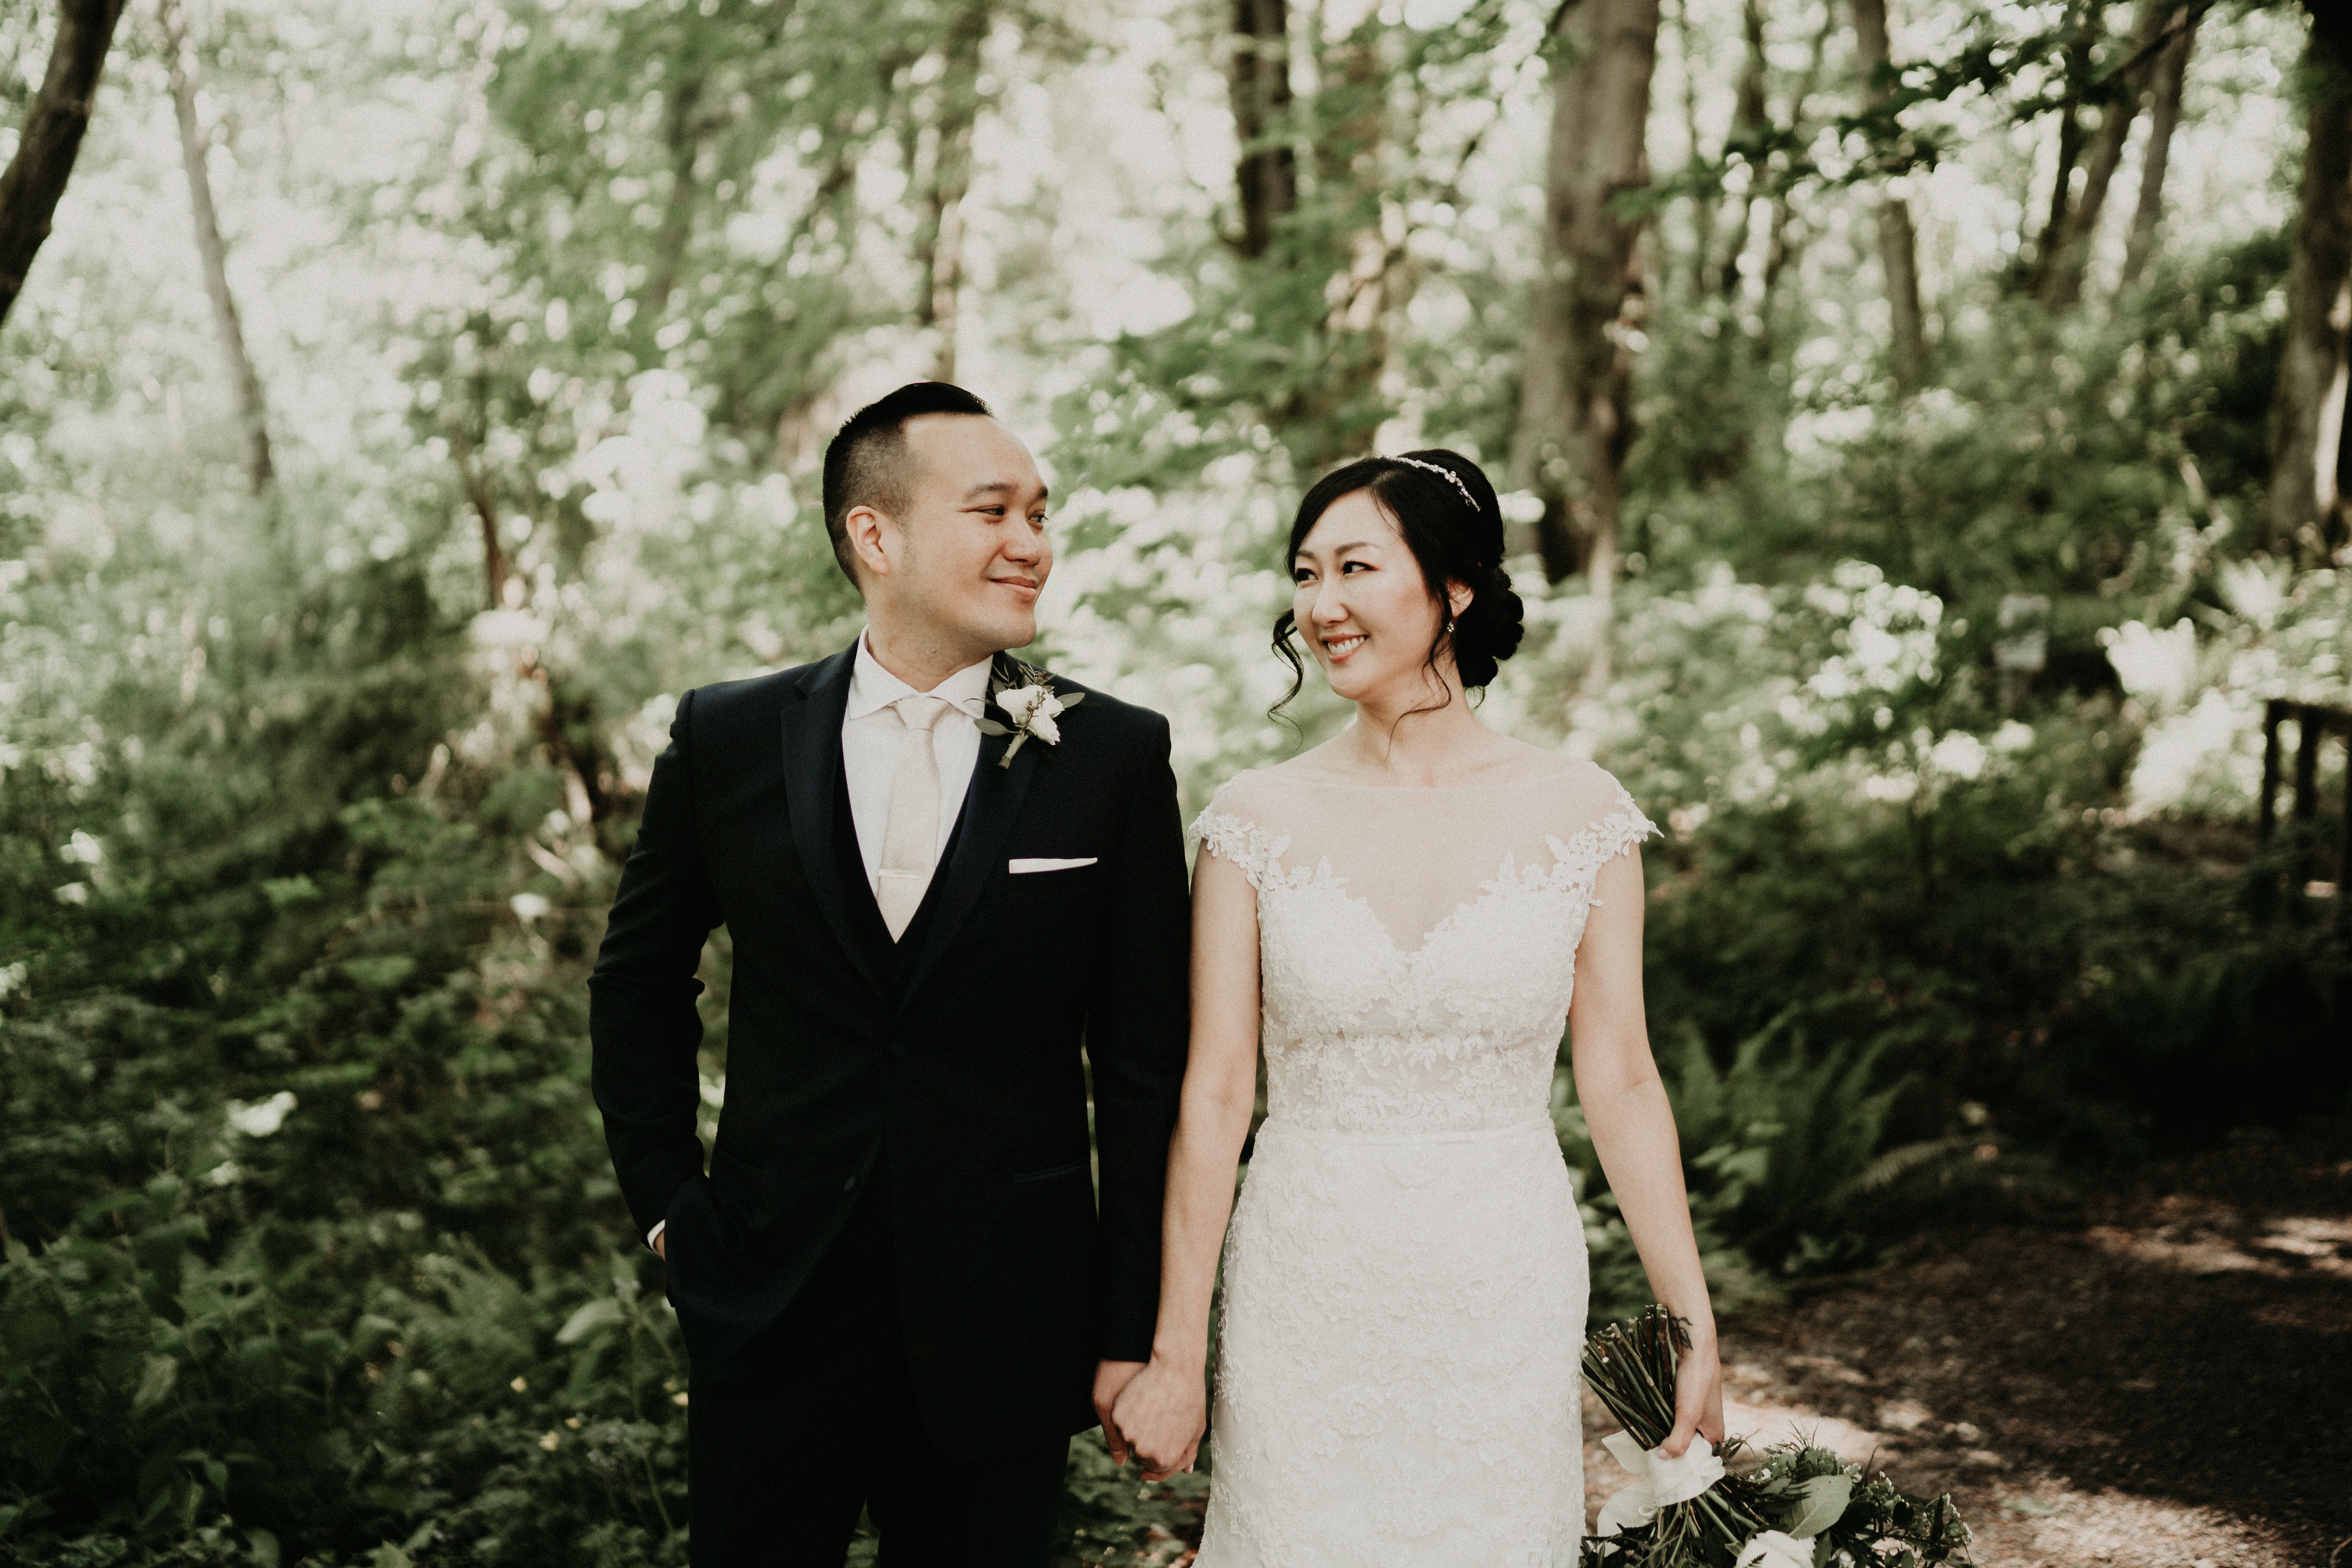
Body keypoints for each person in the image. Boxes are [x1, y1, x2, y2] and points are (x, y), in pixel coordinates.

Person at [588, 381, 1190, 1568]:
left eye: (1040, 514)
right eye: (993, 512)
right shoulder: (728, 737)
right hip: (767, 1308)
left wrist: (1133, 1328)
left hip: (1007, 1327)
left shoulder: (1113, 755)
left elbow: (1142, 1064)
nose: (1032, 543)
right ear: (877, 535)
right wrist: (669, 1210)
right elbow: (638, 980)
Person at [1108, 450, 1727, 1564]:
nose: (1321, 605)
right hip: (1304, 1281)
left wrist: (1693, 1324)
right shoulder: (1253, 820)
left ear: (1455, 589)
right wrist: (1176, 1353)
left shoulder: (1582, 813)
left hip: (1501, 1276)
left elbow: (1624, 1079)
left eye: (1356, 567)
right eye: (1306, 574)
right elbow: (1217, 1094)